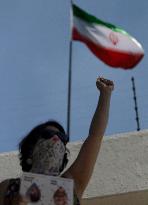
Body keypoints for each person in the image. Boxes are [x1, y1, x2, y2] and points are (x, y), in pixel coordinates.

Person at [0, 76, 114, 205]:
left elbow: (95, 137)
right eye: (48, 134)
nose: (56, 139)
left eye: (62, 137)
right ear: (31, 150)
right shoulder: (8, 188)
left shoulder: (72, 185)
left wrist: (105, 94)